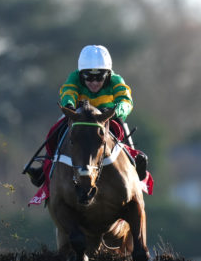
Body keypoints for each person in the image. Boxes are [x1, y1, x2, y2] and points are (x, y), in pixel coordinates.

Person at [25, 44, 148, 188]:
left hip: (106, 118)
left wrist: (114, 111)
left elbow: (126, 101)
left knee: (121, 125)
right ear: (81, 74)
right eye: (88, 77)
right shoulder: (74, 77)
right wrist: (69, 105)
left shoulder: (116, 80)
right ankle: (43, 170)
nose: (94, 82)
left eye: (99, 77)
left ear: (108, 74)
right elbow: (68, 92)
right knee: (56, 129)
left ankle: (134, 162)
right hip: (79, 117)